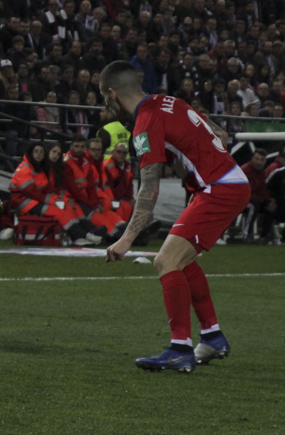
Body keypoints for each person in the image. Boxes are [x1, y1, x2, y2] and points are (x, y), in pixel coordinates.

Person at [101, 60, 251, 373]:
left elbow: (149, 188)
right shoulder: (171, 102)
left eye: (104, 97)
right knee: (182, 260)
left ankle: (179, 348)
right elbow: (219, 133)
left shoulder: (144, 124)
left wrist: (126, 239)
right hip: (226, 182)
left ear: (113, 93)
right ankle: (212, 336)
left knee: (165, 261)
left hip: (218, 188)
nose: (105, 103)